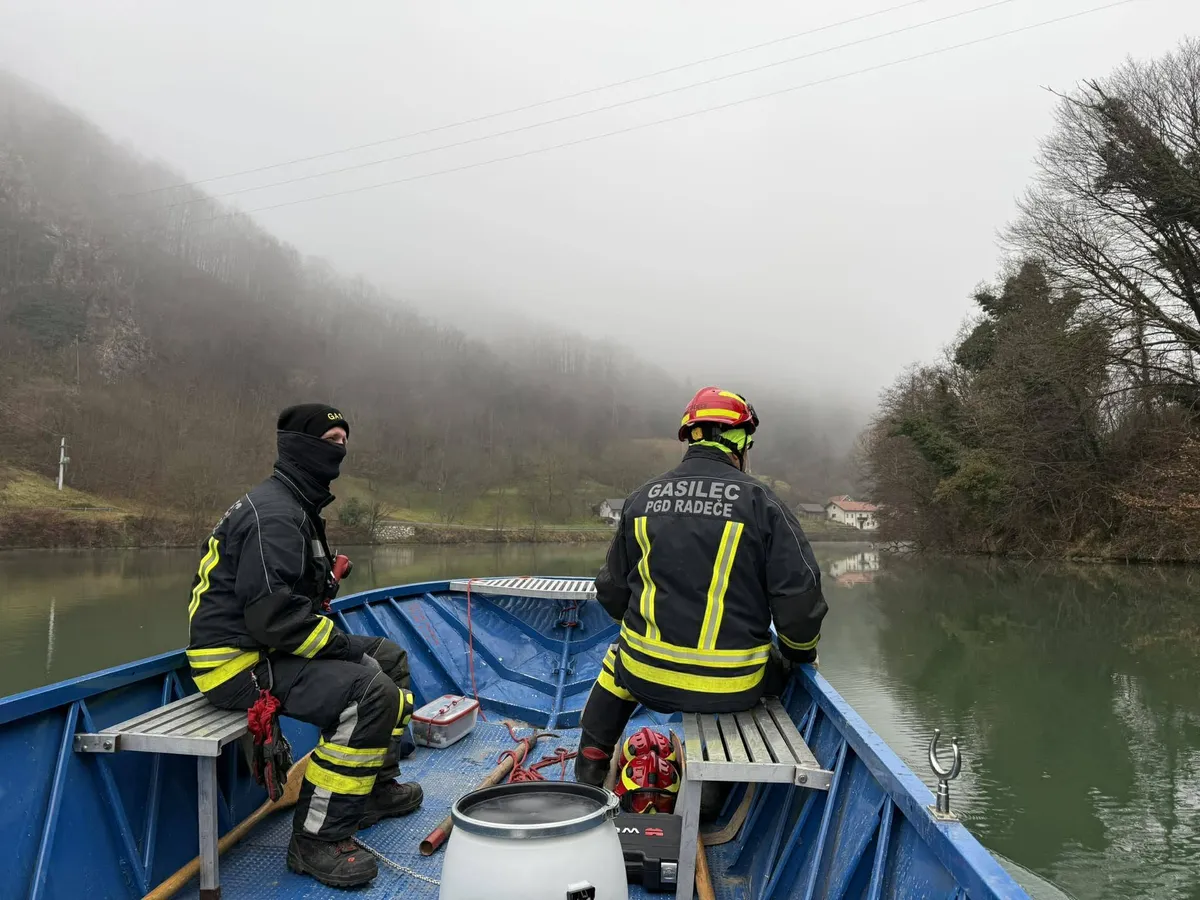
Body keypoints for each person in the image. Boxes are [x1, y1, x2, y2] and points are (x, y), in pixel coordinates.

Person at [186, 403, 422, 888]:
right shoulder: (273, 514)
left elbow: (290, 599)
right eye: (331, 441)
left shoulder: (296, 505)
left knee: (390, 660)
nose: (340, 451)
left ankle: (374, 787)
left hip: (269, 648)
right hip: (237, 664)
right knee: (369, 692)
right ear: (299, 445)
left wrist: (327, 582)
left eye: (343, 442)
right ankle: (316, 838)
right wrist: (342, 649)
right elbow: (274, 618)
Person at [574, 387, 828, 788]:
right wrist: (799, 654)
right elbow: (800, 604)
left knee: (618, 659)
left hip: (644, 677)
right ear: (740, 441)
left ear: (689, 437)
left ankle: (590, 763)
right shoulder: (763, 504)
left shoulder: (642, 499)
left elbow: (610, 592)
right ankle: (711, 791)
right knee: (783, 662)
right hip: (734, 686)